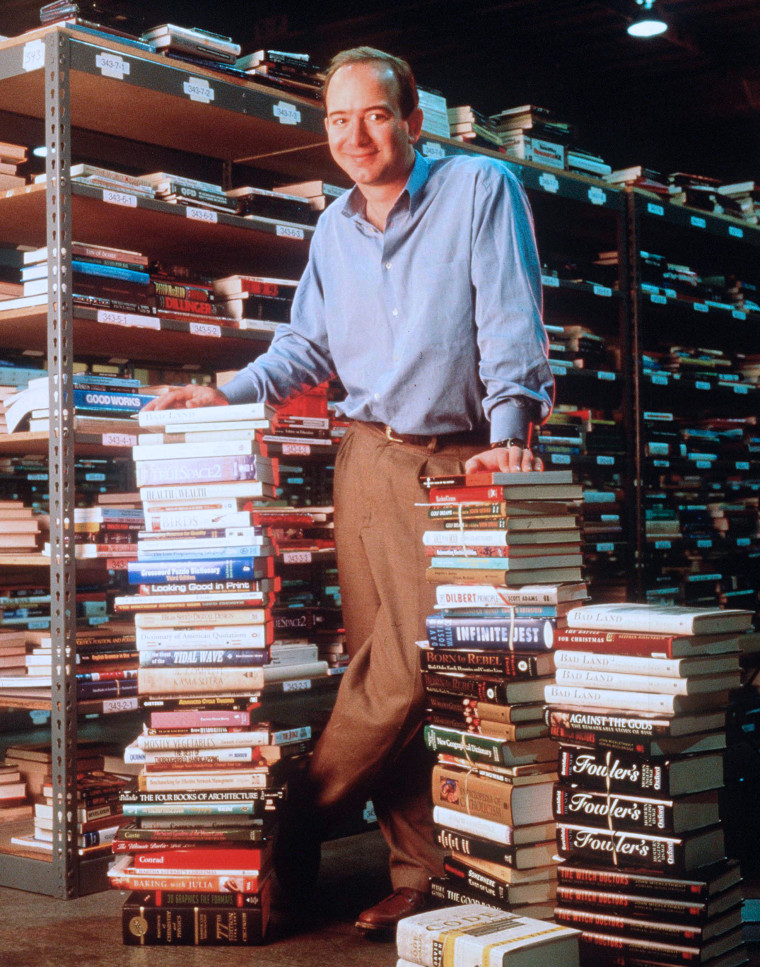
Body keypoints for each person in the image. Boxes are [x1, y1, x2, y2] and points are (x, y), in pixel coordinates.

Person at [143, 46, 554, 936]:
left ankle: (284, 826)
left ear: (411, 120)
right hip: (363, 460)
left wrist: (512, 432)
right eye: (337, 120)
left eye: (372, 115)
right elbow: (304, 352)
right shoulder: (333, 227)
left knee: (411, 676)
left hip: (458, 460)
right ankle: (420, 870)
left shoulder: (480, 189)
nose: (354, 135)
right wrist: (220, 392)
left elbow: (511, 319)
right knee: (384, 662)